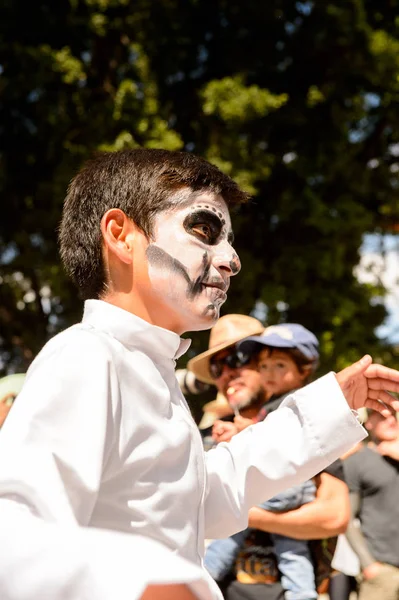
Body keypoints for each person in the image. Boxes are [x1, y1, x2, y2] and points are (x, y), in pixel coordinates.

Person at [0, 149, 398, 600]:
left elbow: (200, 497)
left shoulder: (150, 371)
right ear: (120, 235)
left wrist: (332, 404)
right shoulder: (87, 355)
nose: (231, 259)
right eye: (204, 230)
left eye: (228, 241)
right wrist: (144, 586)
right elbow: (13, 530)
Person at [202, 324, 328, 600]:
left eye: (238, 359)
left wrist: (240, 507)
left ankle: (203, 577)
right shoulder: (201, 438)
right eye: (216, 367)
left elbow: (334, 516)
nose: (227, 373)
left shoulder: (297, 416)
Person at [343, 406, 399, 600]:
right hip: (384, 570)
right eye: (382, 417)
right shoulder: (357, 462)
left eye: (393, 415)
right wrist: (369, 565)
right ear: (369, 423)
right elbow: (346, 518)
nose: (391, 420)